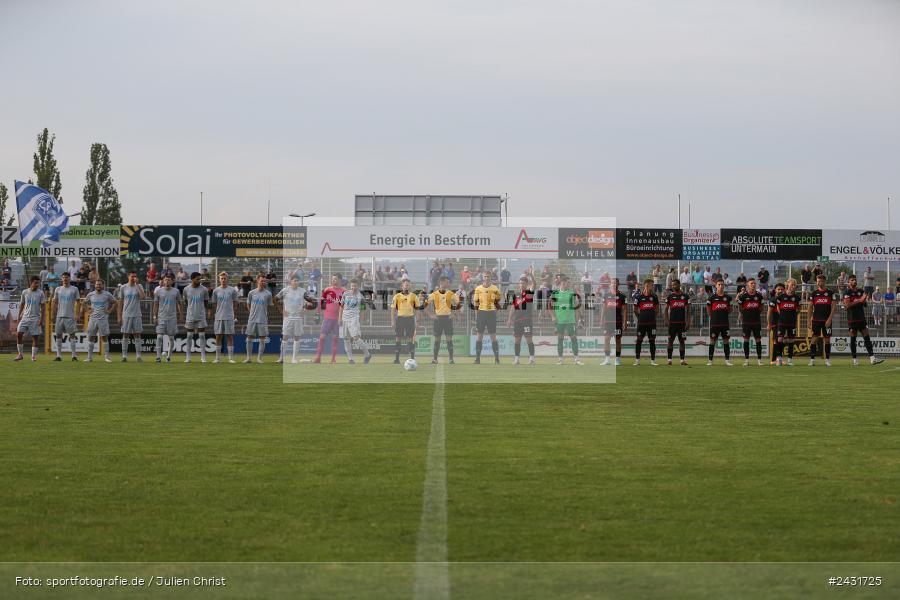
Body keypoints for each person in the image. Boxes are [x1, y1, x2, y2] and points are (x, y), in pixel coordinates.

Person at [842, 274, 884, 365]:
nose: (854, 281)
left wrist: (865, 301)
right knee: (853, 339)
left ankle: (872, 358)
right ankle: (855, 359)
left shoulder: (861, 291)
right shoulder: (847, 292)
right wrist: (860, 300)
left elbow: (865, 305)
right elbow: (847, 306)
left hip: (861, 318)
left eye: (855, 280)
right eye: (852, 280)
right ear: (849, 282)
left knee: (867, 338)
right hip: (852, 319)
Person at [549, 274, 583, 365]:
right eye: (565, 283)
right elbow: (550, 306)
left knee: (574, 338)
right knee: (560, 339)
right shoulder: (555, 293)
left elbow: (577, 305)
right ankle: (560, 359)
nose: (567, 284)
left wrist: (580, 317)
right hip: (559, 320)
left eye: (568, 283)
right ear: (561, 283)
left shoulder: (572, 292)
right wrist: (553, 316)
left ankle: (576, 359)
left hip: (570, 320)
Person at [427, 275, 459, 365]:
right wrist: (431, 315)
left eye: (448, 282)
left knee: (449, 339)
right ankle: (434, 359)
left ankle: (451, 359)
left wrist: (454, 314)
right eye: (447, 282)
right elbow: (425, 305)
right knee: (437, 339)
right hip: (438, 319)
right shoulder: (434, 294)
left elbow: (459, 304)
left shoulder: (451, 294)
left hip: (448, 318)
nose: (448, 283)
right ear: (441, 283)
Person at [82, 279, 116, 363]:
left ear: (103, 285)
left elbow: (115, 302)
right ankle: (89, 357)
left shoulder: (107, 294)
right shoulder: (91, 294)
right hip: (93, 319)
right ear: (95, 285)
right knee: (91, 337)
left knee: (104, 337)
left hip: (103, 319)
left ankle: (107, 357)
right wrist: (88, 310)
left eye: (100, 284)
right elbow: (83, 302)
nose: (98, 286)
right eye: (97, 284)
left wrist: (109, 311)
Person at [807, 274, 837, 367]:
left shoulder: (831, 293)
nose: (819, 282)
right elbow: (810, 307)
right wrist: (808, 320)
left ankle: (827, 360)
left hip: (826, 320)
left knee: (827, 340)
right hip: (816, 320)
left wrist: (829, 319)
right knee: (814, 339)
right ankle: (812, 360)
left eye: (821, 281)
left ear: (824, 281)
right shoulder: (814, 293)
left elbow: (833, 307)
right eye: (818, 281)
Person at [339, 279, 372, 364]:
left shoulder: (361, 296)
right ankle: (350, 359)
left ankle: (367, 354)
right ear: (350, 286)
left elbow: (362, 309)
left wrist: (361, 320)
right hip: (344, 318)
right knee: (346, 339)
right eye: (352, 286)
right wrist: (339, 318)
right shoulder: (345, 293)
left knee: (356, 338)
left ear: (358, 286)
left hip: (354, 318)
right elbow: (341, 307)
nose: (354, 287)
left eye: (355, 286)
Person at [472, 271, 502, 364]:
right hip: (481, 313)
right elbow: (476, 303)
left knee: (493, 336)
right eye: (485, 276)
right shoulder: (478, 289)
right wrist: (477, 314)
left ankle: (497, 359)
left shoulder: (495, 288)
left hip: (491, 314)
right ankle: (477, 359)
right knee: (479, 336)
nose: (486, 278)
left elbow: (497, 303)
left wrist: (496, 313)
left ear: (490, 277)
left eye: (488, 276)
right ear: (483, 277)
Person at [314, 273, 344, 364]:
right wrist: (317, 314)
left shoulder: (344, 291)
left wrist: (343, 318)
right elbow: (320, 302)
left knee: (335, 338)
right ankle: (318, 358)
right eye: (332, 279)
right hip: (327, 318)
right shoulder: (327, 289)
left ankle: (333, 359)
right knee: (322, 337)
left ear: (340, 280)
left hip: (337, 320)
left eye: (335, 279)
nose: (333, 281)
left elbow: (346, 305)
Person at [116, 270, 146, 362]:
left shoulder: (139, 286)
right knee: (125, 335)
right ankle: (124, 356)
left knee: (137, 335)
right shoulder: (123, 287)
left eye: (135, 276)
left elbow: (142, 297)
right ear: (128, 276)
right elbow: (120, 302)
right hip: (126, 314)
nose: (134, 278)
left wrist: (137, 285)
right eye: (132, 276)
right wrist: (119, 316)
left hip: (137, 314)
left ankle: (138, 356)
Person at [14, 276, 45, 362]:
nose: (37, 284)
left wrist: (41, 319)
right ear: (31, 283)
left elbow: (43, 307)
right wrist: (18, 317)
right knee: (18, 334)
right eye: (36, 283)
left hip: (35, 318)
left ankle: (33, 357)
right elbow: (22, 305)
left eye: (38, 283)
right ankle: (20, 355)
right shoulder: (25, 292)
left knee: (35, 337)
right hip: (25, 317)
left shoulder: (41, 293)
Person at [244, 274, 273, 364]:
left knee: (262, 338)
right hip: (252, 319)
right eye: (261, 281)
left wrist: (263, 313)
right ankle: (248, 358)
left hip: (262, 319)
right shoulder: (251, 293)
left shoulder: (268, 294)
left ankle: (259, 358)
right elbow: (248, 304)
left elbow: (269, 306)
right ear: (257, 281)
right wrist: (251, 313)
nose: (263, 282)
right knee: (249, 338)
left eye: (264, 281)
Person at [152, 274, 182, 363]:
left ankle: (168, 357)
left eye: (169, 280)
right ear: (163, 281)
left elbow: (179, 303)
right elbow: (155, 305)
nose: (167, 281)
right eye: (166, 280)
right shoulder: (158, 291)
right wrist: (154, 316)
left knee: (171, 338)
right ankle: (158, 356)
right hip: (161, 317)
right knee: (159, 337)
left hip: (172, 318)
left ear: (172, 281)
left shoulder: (176, 291)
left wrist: (181, 315)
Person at [51, 272, 80, 361]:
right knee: (58, 335)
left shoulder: (74, 289)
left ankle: (74, 356)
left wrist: (77, 314)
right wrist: (53, 313)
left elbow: (78, 302)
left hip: (70, 316)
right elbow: (54, 301)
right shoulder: (58, 289)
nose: (65, 279)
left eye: (66, 277)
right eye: (63, 277)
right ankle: (58, 355)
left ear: (69, 278)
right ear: (61, 278)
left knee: (72, 335)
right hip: (59, 316)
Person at [735, 278, 764, 366]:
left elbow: (761, 308)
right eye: (751, 283)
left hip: (756, 321)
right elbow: (740, 307)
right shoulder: (743, 296)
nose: (753, 285)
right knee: (746, 340)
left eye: (754, 283)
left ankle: (759, 360)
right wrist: (745, 313)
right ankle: (746, 360)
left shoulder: (759, 296)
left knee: (758, 340)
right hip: (746, 322)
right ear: (747, 285)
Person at [211, 272, 239, 363]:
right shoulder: (216, 290)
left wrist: (233, 313)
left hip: (229, 317)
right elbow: (214, 304)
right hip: (219, 317)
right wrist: (217, 312)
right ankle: (217, 358)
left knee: (230, 336)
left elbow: (235, 303)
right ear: (219, 279)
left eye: (225, 278)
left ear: (227, 279)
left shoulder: (232, 290)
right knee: (218, 336)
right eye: (222, 278)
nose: (223, 280)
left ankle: (231, 358)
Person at [506, 276, 534, 366]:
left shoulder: (529, 293)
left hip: (527, 320)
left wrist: (531, 275)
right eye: (520, 283)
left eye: (523, 283)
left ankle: (532, 359)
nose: (521, 285)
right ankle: (517, 359)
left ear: (527, 284)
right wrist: (509, 319)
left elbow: (535, 284)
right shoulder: (517, 294)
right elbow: (513, 307)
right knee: (517, 340)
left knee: (529, 340)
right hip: (517, 320)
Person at [773, 278, 801, 366]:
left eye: (794, 285)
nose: (793, 286)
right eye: (792, 285)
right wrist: (782, 315)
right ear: (787, 285)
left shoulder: (797, 298)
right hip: (782, 321)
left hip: (792, 322)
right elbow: (778, 308)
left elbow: (799, 309)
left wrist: (794, 314)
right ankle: (779, 358)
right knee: (780, 339)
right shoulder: (781, 297)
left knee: (791, 340)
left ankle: (789, 359)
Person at [182, 272, 210, 363]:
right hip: (190, 315)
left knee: (202, 336)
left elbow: (206, 303)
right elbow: (185, 301)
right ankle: (188, 357)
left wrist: (205, 312)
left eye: (200, 279)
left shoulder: (204, 289)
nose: (199, 280)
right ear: (192, 279)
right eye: (197, 279)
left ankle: (203, 357)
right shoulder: (186, 289)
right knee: (189, 336)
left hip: (201, 315)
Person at [391, 278, 419, 364]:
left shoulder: (414, 296)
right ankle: (397, 359)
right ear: (402, 286)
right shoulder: (397, 296)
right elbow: (393, 310)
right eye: (405, 284)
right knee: (398, 338)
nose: (407, 286)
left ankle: (412, 359)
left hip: (410, 319)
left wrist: (417, 321)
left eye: (408, 284)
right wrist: (392, 321)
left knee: (410, 339)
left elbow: (417, 309)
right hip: (400, 319)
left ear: (409, 286)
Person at [600, 277, 626, 366]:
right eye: (612, 283)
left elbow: (624, 310)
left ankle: (617, 359)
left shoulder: (622, 296)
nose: (614, 284)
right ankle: (607, 359)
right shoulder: (606, 295)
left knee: (617, 340)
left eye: (616, 283)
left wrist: (624, 322)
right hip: (607, 321)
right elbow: (604, 308)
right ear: (610, 284)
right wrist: (601, 319)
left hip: (617, 322)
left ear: (618, 284)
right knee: (606, 339)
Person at [706, 279, 733, 366]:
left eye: (722, 284)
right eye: (719, 284)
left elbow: (730, 309)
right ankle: (710, 361)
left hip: (725, 323)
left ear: (724, 286)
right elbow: (709, 310)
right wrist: (714, 317)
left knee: (726, 341)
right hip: (715, 323)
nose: (720, 286)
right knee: (712, 341)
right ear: (716, 286)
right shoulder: (712, 298)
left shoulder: (728, 298)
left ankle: (727, 361)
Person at [664, 279, 690, 366]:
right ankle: (669, 360)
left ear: (679, 285)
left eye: (675, 285)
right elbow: (665, 309)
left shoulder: (685, 296)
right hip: (672, 323)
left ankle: (682, 360)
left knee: (682, 341)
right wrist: (666, 320)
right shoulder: (670, 296)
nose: (673, 286)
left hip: (682, 323)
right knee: (670, 340)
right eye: (672, 285)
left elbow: (688, 310)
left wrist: (688, 322)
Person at [633, 279, 659, 366]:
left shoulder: (654, 297)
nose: (653, 286)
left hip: (652, 323)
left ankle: (653, 361)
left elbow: (657, 309)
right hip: (642, 323)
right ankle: (637, 361)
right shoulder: (639, 297)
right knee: (639, 340)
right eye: (652, 285)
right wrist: (640, 318)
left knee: (652, 341)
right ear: (646, 285)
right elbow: (635, 310)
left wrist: (652, 317)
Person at [766, 282, 785, 364]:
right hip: (775, 322)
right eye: (778, 289)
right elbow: (769, 313)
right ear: (775, 290)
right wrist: (769, 324)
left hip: (784, 322)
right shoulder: (773, 299)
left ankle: (778, 358)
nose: (780, 291)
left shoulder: (785, 299)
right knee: (776, 340)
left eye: (781, 289)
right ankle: (774, 359)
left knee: (781, 340)